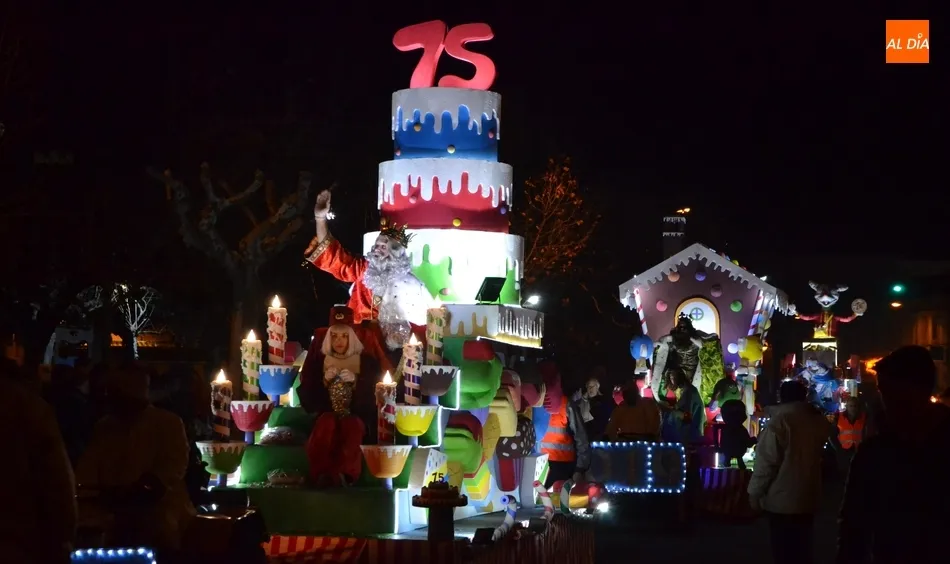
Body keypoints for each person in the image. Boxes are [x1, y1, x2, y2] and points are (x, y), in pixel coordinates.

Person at [837, 346, 950, 563]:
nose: (886, 401)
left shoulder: (878, 451)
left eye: (892, 392)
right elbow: (853, 528)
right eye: (883, 392)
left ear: (919, 390)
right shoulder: (874, 451)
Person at [75, 363, 195, 553]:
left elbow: (173, 465)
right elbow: (88, 469)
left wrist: (146, 487)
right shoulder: (105, 427)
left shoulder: (167, 423)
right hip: (113, 513)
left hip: (160, 513)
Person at [304, 189, 430, 350]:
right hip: (357, 341)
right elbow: (334, 257)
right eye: (377, 245)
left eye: (383, 246)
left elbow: (422, 321)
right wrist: (320, 219)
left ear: (395, 252)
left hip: (394, 345)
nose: (377, 249)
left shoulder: (410, 283)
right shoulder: (363, 269)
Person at [1, 341, 77, 564]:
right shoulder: (26, 406)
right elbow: (56, 481)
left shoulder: (26, 406)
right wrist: (62, 538)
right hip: (17, 540)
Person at [748, 380, 828, 564]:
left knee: (783, 551)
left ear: (781, 397)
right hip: (808, 496)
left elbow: (767, 463)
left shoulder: (780, 422)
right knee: (803, 548)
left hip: (781, 499)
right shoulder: (816, 421)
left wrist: (754, 492)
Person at [538, 361, 590, 487]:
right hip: (561, 465)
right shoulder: (566, 404)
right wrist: (580, 468)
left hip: (541, 463)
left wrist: (580, 468)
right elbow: (581, 436)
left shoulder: (531, 403)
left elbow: (581, 436)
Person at [660, 368, 706, 444]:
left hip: (692, 421)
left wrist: (672, 409)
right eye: (671, 378)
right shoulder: (683, 389)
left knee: (672, 415)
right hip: (687, 416)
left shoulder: (689, 390)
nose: (673, 380)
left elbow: (688, 411)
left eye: (674, 377)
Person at [828, 397, 866, 476]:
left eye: (855, 406)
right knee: (844, 473)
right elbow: (832, 435)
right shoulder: (839, 417)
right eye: (851, 406)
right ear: (847, 407)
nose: (853, 408)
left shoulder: (863, 417)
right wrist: (838, 449)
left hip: (858, 450)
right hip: (843, 450)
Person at [719, 399, 756, 469]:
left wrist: (720, 447)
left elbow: (722, 441)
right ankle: (739, 461)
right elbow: (747, 442)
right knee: (739, 458)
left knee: (728, 459)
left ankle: (727, 460)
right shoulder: (741, 430)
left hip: (727, 450)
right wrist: (754, 440)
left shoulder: (725, 429)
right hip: (739, 451)